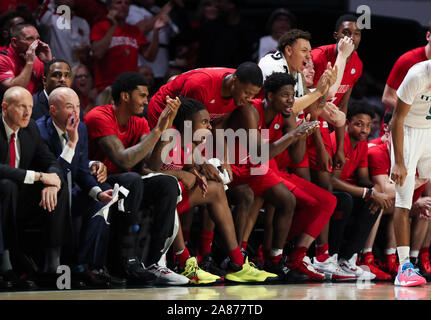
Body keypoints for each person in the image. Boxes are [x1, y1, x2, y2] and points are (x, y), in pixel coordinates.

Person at [217, 72, 336, 282]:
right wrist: (293, 135)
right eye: (285, 95)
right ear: (270, 96)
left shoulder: (286, 114)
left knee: (287, 201)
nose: (290, 100)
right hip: (231, 165)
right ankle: (235, 258)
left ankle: (276, 259)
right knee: (249, 196)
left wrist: (300, 132)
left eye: (292, 95)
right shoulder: (251, 110)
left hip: (254, 168)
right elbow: (258, 153)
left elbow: (296, 156)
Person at [150, 96, 279, 284]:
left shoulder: (188, 142)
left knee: (217, 189)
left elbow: (187, 165)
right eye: (204, 122)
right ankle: (185, 264)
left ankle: (237, 263)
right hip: (157, 201)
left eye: (209, 123)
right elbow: (148, 170)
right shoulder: (167, 136)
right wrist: (181, 174)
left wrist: (198, 169)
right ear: (187, 124)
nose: (209, 127)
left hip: (175, 199)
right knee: (171, 192)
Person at [84, 71, 189, 285]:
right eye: (142, 96)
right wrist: (158, 129)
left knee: (166, 183)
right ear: (124, 96)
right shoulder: (99, 116)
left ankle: (153, 262)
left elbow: (151, 166)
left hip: (128, 182)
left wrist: (164, 130)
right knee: (130, 179)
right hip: (97, 180)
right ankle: (126, 260)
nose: (146, 101)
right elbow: (123, 160)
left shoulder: (139, 123)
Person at [36, 87, 125, 288]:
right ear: (53, 110)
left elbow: (81, 172)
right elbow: (55, 174)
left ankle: (87, 266)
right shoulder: (39, 131)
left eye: (77, 106)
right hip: (46, 196)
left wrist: (99, 193)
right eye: (69, 107)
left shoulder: (81, 128)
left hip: (70, 192)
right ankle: (60, 268)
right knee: (62, 193)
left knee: (100, 203)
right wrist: (72, 142)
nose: (76, 113)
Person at [0, 86, 69, 290]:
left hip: (20, 198)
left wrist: (51, 181)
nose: (28, 112)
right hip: (3, 194)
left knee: (59, 185)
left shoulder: (30, 127)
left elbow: (50, 161)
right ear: (5, 107)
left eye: (30, 106)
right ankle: (5, 265)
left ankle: (52, 263)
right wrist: (38, 176)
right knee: (6, 185)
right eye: (22, 106)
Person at [329, 101, 393, 279]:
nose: (364, 130)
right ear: (347, 123)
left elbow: (364, 178)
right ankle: (331, 258)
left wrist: (376, 191)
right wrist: (369, 193)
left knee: (375, 203)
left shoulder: (362, 143)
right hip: (330, 189)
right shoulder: (337, 141)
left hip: (348, 191)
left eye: (368, 125)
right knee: (346, 200)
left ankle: (348, 259)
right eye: (359, 124)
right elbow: (331, 181)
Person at [366, 113, 429, 280]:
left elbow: (411, 192)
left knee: (426, 209)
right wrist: (417, 182)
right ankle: (371, 257)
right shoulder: (375, 150)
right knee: (388, 205)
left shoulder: (415, 153)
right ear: (387, 132)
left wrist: (418, 198)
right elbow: (385, 190)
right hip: (369, 199)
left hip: (393, 200)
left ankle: (416, 259)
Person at [390, 60, 431, 287]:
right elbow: (397, 118)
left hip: (430, 131)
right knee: (403, 199)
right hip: (408, 133)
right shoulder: (417, 75)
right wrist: (399, 161)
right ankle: (404, 266)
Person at [311, 14, 363, 170]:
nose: (351, 38)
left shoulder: (357, 63)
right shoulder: (318, 57)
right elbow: (312, 103)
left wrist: (340, 147)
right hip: (309, 118)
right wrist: (321, 148)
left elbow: (342, 105)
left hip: (326, 119)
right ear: (336, 35)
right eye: (346, 33)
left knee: (326, 176)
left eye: (356, 34)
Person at [90, 0, 165, 93]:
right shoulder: (100, 27)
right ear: (109, 8)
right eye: (119, 3)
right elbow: (98, 53)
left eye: (127, 3)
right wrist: (113, 26)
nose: (124, 6)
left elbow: (150, 57)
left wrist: (156, 32)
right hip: (106, 88)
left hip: (129, 88)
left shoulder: (135, 31)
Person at [126, 0, 179, 87]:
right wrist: (165, 10)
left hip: (164, 58)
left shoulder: (156, 9)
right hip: (144, 58)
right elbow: (140, 31)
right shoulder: (132, 9)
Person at [382, 22, 431, 111]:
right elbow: (388, 97)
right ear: (428, 36)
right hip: (400, 121)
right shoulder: (408, 60)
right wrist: (414, 114)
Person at [0, 23, 52, 95]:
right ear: (14, 42)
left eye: (37, 39)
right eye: (29, 39)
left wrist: (48, 63)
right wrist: (30, 63)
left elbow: (52, 88)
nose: (37, 43)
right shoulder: (2, 59)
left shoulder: (37, 59)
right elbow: (15, 91)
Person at [38, 0, 91, 67]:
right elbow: (42, 18)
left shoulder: (82, 22)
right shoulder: (51, 19)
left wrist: (86, 49)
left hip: (77, 70)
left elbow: (87, 50)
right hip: (56, 68)